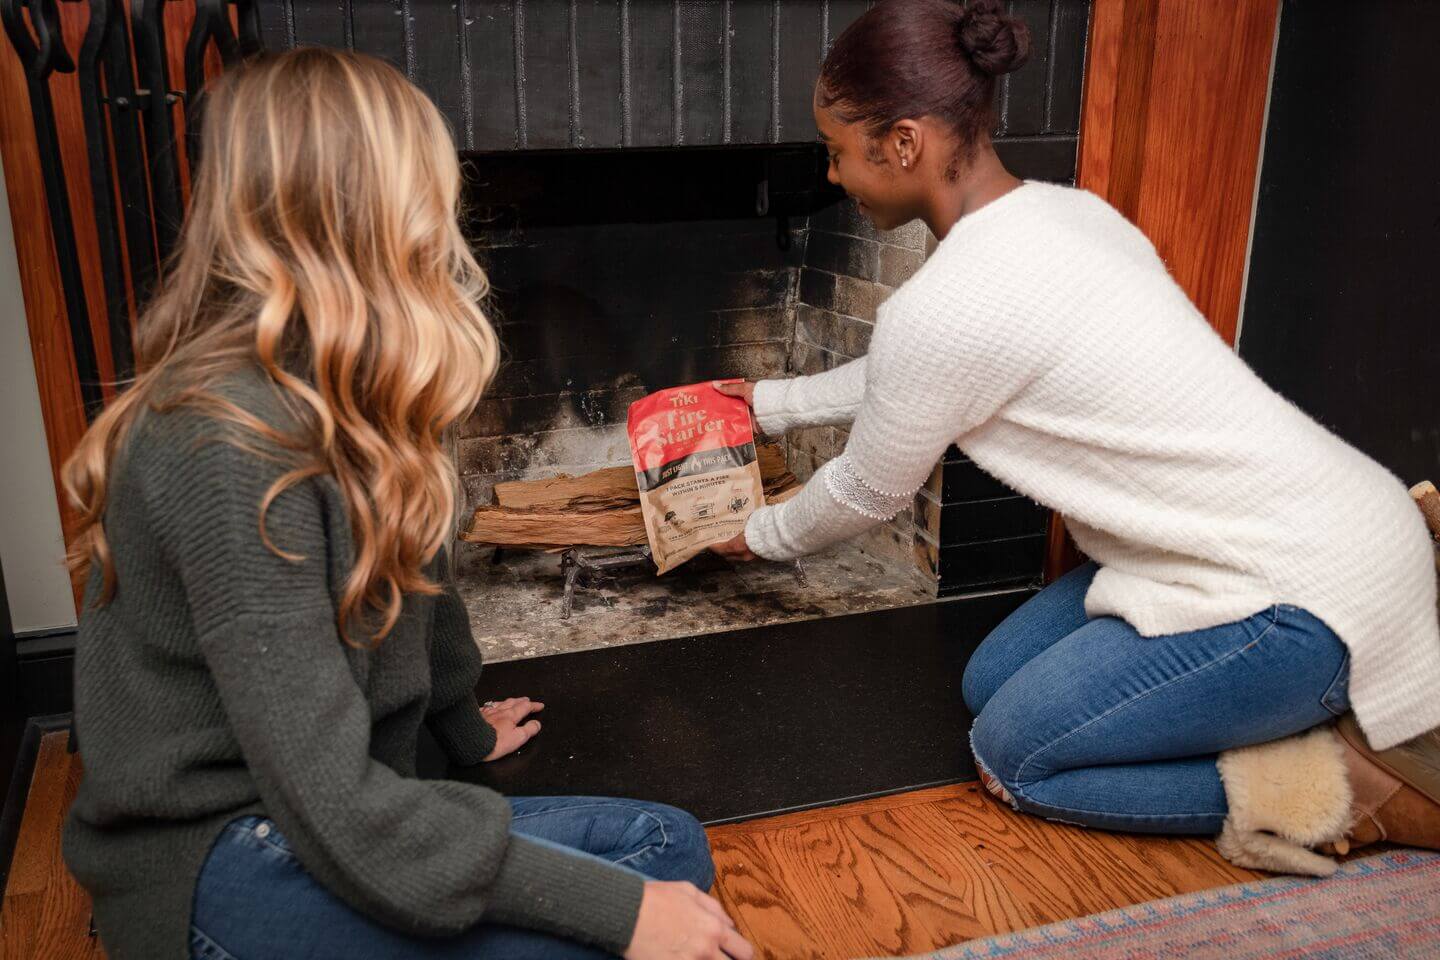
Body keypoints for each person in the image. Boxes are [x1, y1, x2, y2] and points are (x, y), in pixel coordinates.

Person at [60, 49, 752, 960]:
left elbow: (419, 583)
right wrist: (616, 916)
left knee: (669, 851)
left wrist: (459, 725)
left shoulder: (354, 390)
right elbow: (331, 806)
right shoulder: (221, 442)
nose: (450, 215)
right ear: (367, 207)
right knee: (626, 922)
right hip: (226, 856)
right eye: (430, 184)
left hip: (341, 816)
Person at [715, 0, 1440, 851]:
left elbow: (865, 490)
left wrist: (752, 535)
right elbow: (914, 373)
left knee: (1011, 755)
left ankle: (1347, 789)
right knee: (989, 681)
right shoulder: (1068, 213)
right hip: (1331, 528)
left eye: (839, 153)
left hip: (1311, 606)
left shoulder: (949, 304)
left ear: (904, 143)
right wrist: (769, 405)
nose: (834, 176)